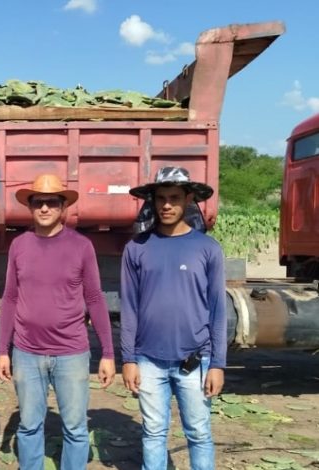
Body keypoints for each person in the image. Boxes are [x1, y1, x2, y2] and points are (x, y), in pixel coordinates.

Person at [0, 174, 116, 470]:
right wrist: (2, 350)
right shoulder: (19, 245)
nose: (45, 208)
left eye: (52, 202)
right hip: (27, 352)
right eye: (38, 202)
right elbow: (10, 298)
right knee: (28, 426)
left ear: (63, 207)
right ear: (30, 207)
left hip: (71, 353)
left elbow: (95, 299)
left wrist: (109, 354)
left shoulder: (81, 246)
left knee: (75, 429)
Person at [120, 166, 226, 470]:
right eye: (161, 198)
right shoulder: (136, 248)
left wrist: (217, 364)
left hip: (196, 360)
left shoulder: (207, 248)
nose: (167, 205)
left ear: (189, 200)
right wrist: (128, 359)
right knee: (153, 433)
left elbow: (218, 310)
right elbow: (129, 307)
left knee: (199, 432)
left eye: (174, 198)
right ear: (152, 201)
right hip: (148, 360)